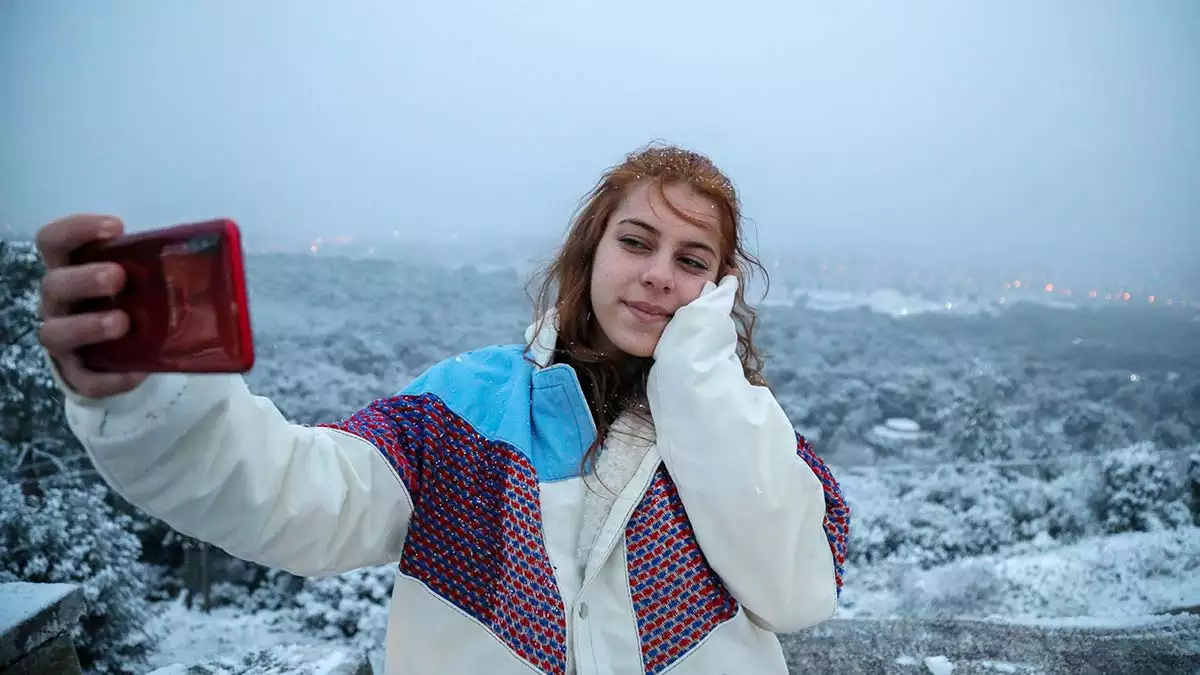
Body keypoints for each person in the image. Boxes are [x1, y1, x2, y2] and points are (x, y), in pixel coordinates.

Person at [36, 143, 849, 675]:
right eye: (635, 242)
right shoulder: (466, 406)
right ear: (590, 251)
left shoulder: (749, 427)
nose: (659, 274)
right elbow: (296, 494)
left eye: (691, 260)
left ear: (718, 289)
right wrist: (155, 396)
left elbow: (796, 590)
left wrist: (701, 382)